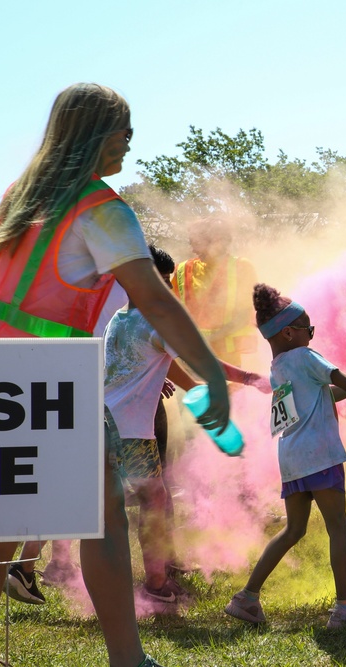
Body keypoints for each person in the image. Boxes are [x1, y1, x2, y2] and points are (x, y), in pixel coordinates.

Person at [0, 83, 229, 667]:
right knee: (102, 518)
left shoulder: (16, 199)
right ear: (98, 133)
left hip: (5, 372)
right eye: (125, 129)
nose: (130, 141)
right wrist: (211, 373)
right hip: (54, 378)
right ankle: (128, 659)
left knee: (7, 513)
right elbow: (153, 298)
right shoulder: (100, 207)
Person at [224, 284, 346, 627]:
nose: (312, 335)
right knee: (338, 527)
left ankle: (246, 598)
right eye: (310, 329)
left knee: (293, 530)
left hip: (292, 458)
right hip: (320, 454)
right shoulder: (306, 356)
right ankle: (345, 609)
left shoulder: (279, 366)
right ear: (289, 332)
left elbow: (323, 395)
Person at [105, 245, 269, 605]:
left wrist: (194, 387)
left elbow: (160, 359)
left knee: (111, 502)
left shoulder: (119, 318)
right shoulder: (156, 321)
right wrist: (251, 377)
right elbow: (203, 358)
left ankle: (132, 577)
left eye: (166, 282)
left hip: (103, 421)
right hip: (131, 428)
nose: (164, 290)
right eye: (157, 281)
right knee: (154, 498)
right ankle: (156, 584)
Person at [172, 217, 258, 367]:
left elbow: (245, 314)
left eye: (197, 244)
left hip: (229, 361)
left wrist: (211, 339)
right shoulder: (182, 270)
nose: (193, 250)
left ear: (218, 241)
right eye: (191, 244)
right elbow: (172, 313)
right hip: (192, 358)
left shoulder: (242, 268)